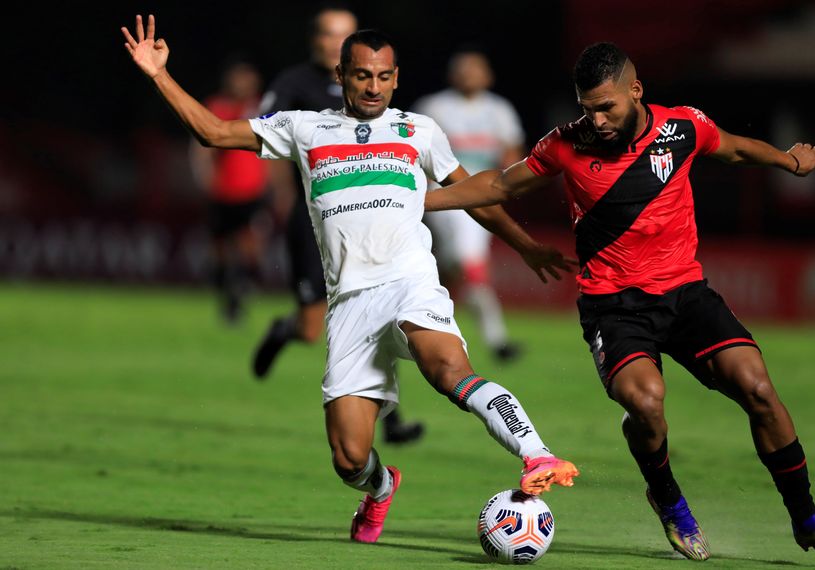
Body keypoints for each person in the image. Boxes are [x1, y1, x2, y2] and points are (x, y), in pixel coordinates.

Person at [121, 15, 580, 544]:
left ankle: (537, 454)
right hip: (350, 305)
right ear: (340, 76)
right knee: (348, 458)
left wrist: (524, 246)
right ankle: (381, 488)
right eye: (362, 75)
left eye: (383, 76)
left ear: (396, 77)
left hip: (410, 282)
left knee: (448, 367)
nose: (373, 86)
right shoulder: (304, 127)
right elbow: (213, 132)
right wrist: (159, 75)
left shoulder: (419, 130)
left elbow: (477, 191)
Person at [425, 42, 815, 560]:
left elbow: (736, 148)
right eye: (587, 107)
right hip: (613, 306)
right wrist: (421, 199)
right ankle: (670, 502)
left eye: (606, 107)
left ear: (636, 90)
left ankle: (806, 517)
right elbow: (497, 184)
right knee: (645, 402)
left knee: (758, 387)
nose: (597, 119)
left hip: (686, 293)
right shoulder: (566, 144)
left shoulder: (683, 128)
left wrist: (789, 161)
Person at [249, 6, 423, 444]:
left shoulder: (370, 84)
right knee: (311, 328)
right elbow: (261, 137)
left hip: (370, 221)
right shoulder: (293, 85)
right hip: (315, 221)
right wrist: (281, 197)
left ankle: (391, 417)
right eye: (328, 34)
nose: (333, 43)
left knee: (387, 306)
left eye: (342, 35)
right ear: (315, 40)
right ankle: (283, 329)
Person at [413, 47, 525, 362]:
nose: (468, 75)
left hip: (483, 193)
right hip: (445, 195)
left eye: (475, 69)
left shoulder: (499, 110)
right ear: (451, 74)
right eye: (462, 69)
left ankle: (431, 322)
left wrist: (508, 183)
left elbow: (512, 150)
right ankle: (497, 340)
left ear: (487, 75)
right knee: (469, 262)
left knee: (450, 269)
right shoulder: (434, 106)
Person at [190, 56, 270, 324]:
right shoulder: (217, 107)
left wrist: (280, 187)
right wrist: (205, 179)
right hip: (223, 193)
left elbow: (278, 152)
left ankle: (243, 289)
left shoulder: (262, 108)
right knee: (221, 249)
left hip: (253, 192)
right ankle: (228, 295)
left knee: (251, 247)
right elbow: (201, 149)